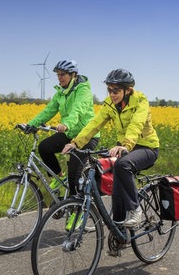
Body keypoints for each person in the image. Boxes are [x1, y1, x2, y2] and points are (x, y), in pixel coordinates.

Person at [62, 68, 159, 227]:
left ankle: (135, 209)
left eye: (116, 91)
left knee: (122, 165)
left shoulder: (140, 101)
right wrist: (75, 143)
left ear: (128, 90)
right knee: (106, 176)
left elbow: (136, 124)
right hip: (125, 148)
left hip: (147, 148)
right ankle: (119, 232)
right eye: (109, 90)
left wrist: (125, 145)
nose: (112, 94)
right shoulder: (110, 104)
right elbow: (94, 124)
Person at [22, 59, 99, 196]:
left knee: (74, 173)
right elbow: (48, 111)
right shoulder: (60, 93)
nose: (60, 77)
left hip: (86, 136)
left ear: (73, 75)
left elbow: (78, 109)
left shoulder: (83, 90)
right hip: (70, 134)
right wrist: (31, 124)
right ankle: (59, 177)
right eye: (58, 74)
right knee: (44, 147)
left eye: (63, 74)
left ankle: (76, 208)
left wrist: (66, 124)